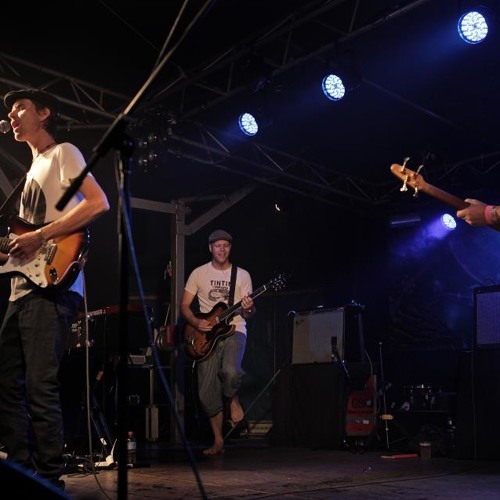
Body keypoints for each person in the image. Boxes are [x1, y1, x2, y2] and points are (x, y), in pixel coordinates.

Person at [0, 88, 110, 490]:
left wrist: (40, 236)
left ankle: (50, 479)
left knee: (39, 385)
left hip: (51, 287)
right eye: (10, 111)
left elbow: (97, 203)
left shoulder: (64, 153)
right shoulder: (30, 173)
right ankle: (20, 468)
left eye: (20, 108)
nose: (12, 115)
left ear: (44, 113)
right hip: (20, 290)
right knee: (5, 383)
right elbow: (20, 241)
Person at [180, 229, 255, 456]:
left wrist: (249, 308)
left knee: (230, 372)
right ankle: (218, 440)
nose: (222, 249)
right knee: (206, 394)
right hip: (207, 335)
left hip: (234, 330)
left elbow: (249, 313)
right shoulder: (198, 273)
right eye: (217, 245)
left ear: (230, 248)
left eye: (226, 245)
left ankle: (233, 399)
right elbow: (184, 306)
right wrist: (196, 322)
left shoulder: (242, 275)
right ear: (210, 248)